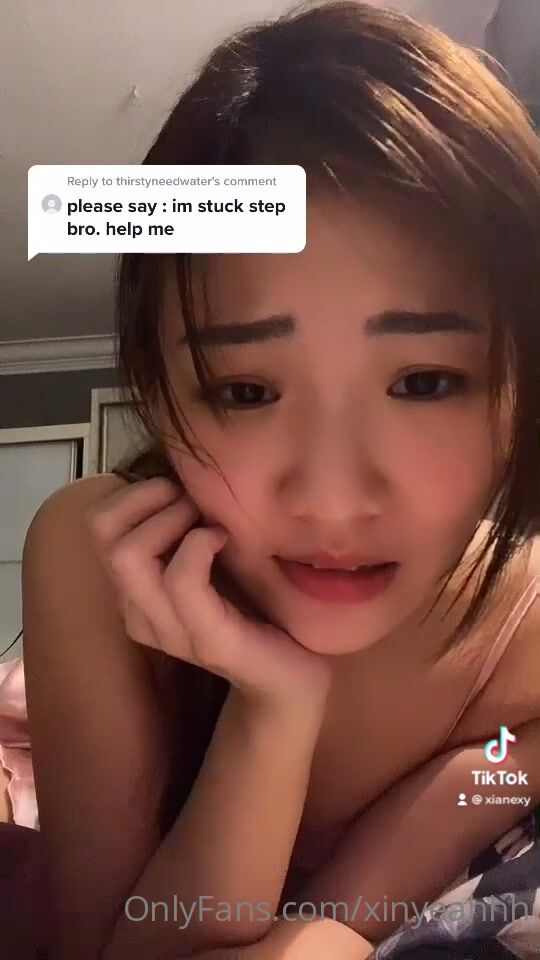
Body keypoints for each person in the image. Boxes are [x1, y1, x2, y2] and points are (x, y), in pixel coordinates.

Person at [2, 1, 539, 958]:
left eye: (424, 382)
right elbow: (108, 942)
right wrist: (272, 714)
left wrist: (327, 910)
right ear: (161, 394)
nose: (332, 500)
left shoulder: (523, 628)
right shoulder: (95, 554)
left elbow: (346, 918)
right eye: (246, 390)